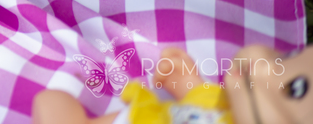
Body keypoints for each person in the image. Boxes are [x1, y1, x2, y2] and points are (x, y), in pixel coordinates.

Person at [32, 45, 312, 124]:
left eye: (294, 89)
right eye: (288, 57)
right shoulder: (228, 105)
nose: (261, 64)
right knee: (53, 103)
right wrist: (185, 80)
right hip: (146, 118)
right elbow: (202, 100)